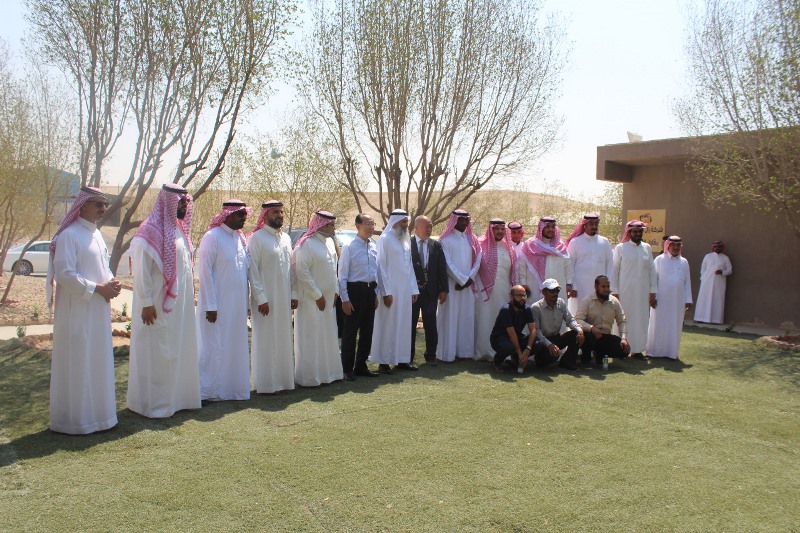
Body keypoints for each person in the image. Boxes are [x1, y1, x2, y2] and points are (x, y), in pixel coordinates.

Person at [48, 186, 121, 434]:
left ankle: (101, 417)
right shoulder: (69, 235)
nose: (103, 209)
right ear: (83, 205)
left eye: (105, 204)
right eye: (98, 204)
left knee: (98, 360)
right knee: (79, 361)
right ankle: (75, 422)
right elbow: (65, 275)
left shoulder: (97, 234)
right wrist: (99, 289)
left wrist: (111, 282)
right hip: (77, 312)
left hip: (98, 311)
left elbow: (103, 267)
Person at [127, 183, 200, 418]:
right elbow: (141, 271)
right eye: (180, 201)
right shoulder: (150, 231)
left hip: (179, 307)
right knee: (158, 352)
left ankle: (177, 400)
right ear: (168, 202)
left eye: (186, 201)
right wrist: (146, 302)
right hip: (156, 305)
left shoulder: (179, 230)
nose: (184, 205)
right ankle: (154, 405)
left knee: (177, 350)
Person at [196, 199, 252, 401]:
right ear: (228, 214)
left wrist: (246, 304)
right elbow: (205, 273)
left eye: (245, 214)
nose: (244, 218)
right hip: (217, 306)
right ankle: (209, 391)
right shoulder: (212, 237)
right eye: (240, 214)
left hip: (236, 306)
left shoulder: (240, 238)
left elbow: (243, 272)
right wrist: (210, 305)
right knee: (214, 347)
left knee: (234, 346)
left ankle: (232, 389)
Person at [248, 200, 298, 394]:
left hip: (283, 299)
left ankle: (284, 382)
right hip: (265, 301)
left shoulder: (285, 238)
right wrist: (261, 298)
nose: (280, 215)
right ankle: (266, 384)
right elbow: (253, 270)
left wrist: (293, 294)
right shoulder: (257, 238)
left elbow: (291, 270)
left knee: (283, 338)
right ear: (266, 215)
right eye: (275, 212)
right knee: (266, 340)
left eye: (281, 212)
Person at [292, 211, 344, 386]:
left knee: (327, 337)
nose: (334, 228)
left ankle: (328, 374)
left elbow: (334, 269)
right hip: (311, 301)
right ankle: (310, 378)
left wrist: (335, 291)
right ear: (322, 225)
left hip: (329, 301)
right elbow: (301, 272)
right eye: (331, 225)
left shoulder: (330, 243)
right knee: (311, 338)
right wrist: (317, 295)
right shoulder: (307, 244)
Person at [370, 209, 419, 373]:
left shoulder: (406, 241)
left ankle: (402, 360)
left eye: (407, 222)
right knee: (388, 325)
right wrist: (386, 292)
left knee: (404, 324)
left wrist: (413, 288)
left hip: (404, 291)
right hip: (390, 291)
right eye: (404, 222)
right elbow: (380, 267)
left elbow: (409, 266)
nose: (406, 225)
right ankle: (384, 362)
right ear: (395, 222)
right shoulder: (385, 239)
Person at [436, 209, 482, 362]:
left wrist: (469, 279)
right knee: (450, 318)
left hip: (468, 286)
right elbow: (446, 264)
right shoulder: (445, 240)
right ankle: (447, 353)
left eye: (466, 220)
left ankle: (464, 352)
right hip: (451, 285)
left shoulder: (473, 239)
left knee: (466, 318)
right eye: (460, 219)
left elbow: (478, 259)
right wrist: (462, 280)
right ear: (454, 220)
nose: (463, 222)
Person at [338, 213, 379, 380]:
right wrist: (345, 299)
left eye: (372, 224)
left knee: (367, 331)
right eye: (367, 223)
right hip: (354, 291)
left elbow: (376, 272)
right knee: (350, 331)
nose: (371, 227)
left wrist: (376, 294)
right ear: (357, 226)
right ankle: (347, 368)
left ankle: (361, 365)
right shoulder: (349, 247)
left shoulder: (374, 246)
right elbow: (342, 275)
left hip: (370, 291)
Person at [611, 220, 656, 359]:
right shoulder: (621, 248)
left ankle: (638, 350)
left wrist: (653, 291)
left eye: (640, 231)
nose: (637, 234)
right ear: (629, 232)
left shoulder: (647, 248)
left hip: (642, 292)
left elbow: (652, 270)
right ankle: (620, 349)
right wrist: (614, 291)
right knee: (623, 319)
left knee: (641, 320)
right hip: (625, 292)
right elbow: (614, 270)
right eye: (634, 232)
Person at [474, 218, 517, 360]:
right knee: (485, 319)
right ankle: (483, 351)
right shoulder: (480, 244)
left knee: (502, 320)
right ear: (490, 230)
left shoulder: (508, 247)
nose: (499, 231)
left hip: (504, 290)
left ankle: (503, 351)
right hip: (484, 292)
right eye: (496, 229)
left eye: (502, 229)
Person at [646, 236, 692, 360]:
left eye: (678, 245)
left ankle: (671, 353)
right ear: (668, 245)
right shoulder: (660, 260)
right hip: (661, 299)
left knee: (675, 324)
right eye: (673, 245)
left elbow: (687, 282)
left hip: (678, 300)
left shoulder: (684, 262)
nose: (676, 247)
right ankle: (654, 352)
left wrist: (688, 300)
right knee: (658, 324)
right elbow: (653, 279)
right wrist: (652, 296)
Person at [410, 215, 448, 365]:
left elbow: (442, 268)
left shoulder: (435, 245)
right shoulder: (408, 244)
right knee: (411, 324)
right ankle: (408, 356)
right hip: (412, 293)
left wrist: (444, 289)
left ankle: (431, 355)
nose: (429, 229)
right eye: (426, 226)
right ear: (416, 228)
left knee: (431, 324)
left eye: (430, 227)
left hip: (431, 292)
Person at [575, 275, 630, 367]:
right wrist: (591, 328)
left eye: (608, 286)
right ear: (596, 287)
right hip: (590, 335)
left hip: (605, 336)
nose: (607, 289)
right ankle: (585, 357)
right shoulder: (587, 301)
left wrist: (624, 338)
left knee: (624, 350)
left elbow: (622, 321)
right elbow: (577, 320)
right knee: (589, 338)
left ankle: (599, 353)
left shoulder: (614, 301)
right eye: (603, 286)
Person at [565, 213, 614, 316]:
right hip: (580, 287)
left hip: (599, 287)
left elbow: (610, 265)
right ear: (584, 225)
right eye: (591, 224)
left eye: (596, 224)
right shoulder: (575, 242)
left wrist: (608, 286)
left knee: (598, 314)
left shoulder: (604, 242)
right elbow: (570, 265)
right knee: (579, 313)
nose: (594, 227)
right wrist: (573, 285)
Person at [531, 278, 584, 370]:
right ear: (544, 292)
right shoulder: (536, 308)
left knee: (576, 334)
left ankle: (567, 362)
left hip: (556, 337)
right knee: (551, 357)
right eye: (552, 291)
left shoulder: (561, 302)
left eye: (557, 291)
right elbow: (537, 332)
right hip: (543, 341)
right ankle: (540, 359)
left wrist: (579, 330)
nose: (555, 293)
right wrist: (549, 345)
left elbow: (570, 320)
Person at [519, 217, 573, 305]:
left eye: (552, 227)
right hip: (535, 287)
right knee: (535, 310)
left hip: (557, 286)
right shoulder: (530, 245)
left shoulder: (561, 246)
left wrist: (569, 284)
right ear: (541, 228)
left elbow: (568, 266)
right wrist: (523, 283)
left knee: (558, 309)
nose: (550, 229)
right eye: (547, 227)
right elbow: (522, 266)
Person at [490, 285, 537, 372]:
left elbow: (533, 329)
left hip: (516, 337)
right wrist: (520, 353)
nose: (522, 298)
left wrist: (528, 349)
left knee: (537, 343)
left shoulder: (527, 309)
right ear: (511, 296)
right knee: (509, 347)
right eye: (519, 295)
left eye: (524, 295)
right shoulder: (506, 310)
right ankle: (496, 361)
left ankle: (515, 360)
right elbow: (511, 334)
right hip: (499, 339)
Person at [693, 240, 733, 324]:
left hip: (719, 282)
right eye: (715, 247)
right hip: (706, 282)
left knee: (717, 299)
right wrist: (703, 278)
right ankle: (700, 317)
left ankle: (715, 320)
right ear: (712, 248)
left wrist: (722, 272)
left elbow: (729, 270)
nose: (717, 248)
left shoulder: (725, 258)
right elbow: (703, 269)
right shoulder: (707, 256)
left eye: (719, 247)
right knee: (703, 298)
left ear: (721, 248)